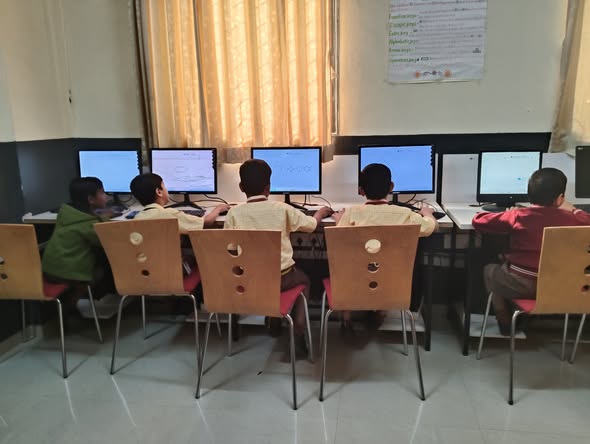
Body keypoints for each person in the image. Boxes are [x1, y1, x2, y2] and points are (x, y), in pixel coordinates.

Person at [223, 159, 332, 356]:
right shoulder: (282, 209)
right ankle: (298, 331)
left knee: (259, 274)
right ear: (268, 187)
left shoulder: (233, 214)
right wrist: (320, 213)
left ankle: (273, 322)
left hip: (248, 281)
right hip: (283, 279)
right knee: (304, 280)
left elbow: (231, 250)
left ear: (241, 187)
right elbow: (311, 226)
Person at [472, 167, 590, 335]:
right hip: (559, 287)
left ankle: (504, 321)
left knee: (489, 270)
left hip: (521, 285)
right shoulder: (574, 219)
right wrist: (572, 208)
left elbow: (478, 221)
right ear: (560, 198)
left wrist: (508, 213)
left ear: (529, 195)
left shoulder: (518, 215)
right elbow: (586, 219)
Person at [333, 163, 438, 332]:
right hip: (392, 282)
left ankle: (347, 316)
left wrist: (339, 220)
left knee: (351, 264)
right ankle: (381, 311)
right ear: (391, 187)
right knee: (385, 267)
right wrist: (427, 213)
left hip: (356, 281)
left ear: (361, 190)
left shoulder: (351, 213)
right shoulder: (405, 214)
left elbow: (339, 235)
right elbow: (430, 228)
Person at [42, 177, 117, 316]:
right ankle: (69, 307)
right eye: (102, 192)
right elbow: (105, 240)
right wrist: (105, 217)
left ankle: (69, 306)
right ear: (91, 200)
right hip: (67, 273)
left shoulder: (67, 214)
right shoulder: (88, 224)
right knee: (104, 269)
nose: (106, 196)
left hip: (48, 269)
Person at [130, 173, 229, 231]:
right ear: (159, 192)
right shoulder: (169, 215)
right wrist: (218, 209)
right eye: (164, 186)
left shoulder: (136, 219)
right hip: (171, 261)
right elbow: (206, 223)